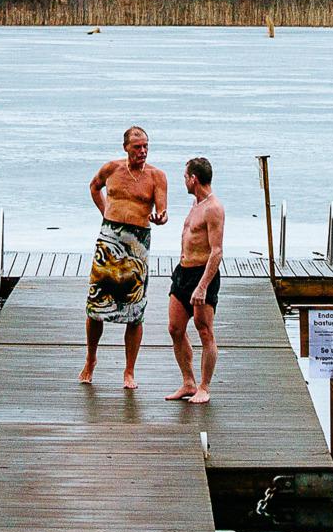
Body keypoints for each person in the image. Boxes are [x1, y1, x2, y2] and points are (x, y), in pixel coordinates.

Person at [81, 126, 167, 387]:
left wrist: (160, 217)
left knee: (135, 310)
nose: (142, 151)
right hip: (109, 239)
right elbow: (94, 187)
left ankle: (129, 371)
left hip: (137, 244)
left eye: (146, 147)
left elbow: (162, 209)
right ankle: (90, 359)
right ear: (126, 147)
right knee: (96, 305)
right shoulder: (112, 169)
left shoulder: (157, 176)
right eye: (137, 147)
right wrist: (106, 211)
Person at [166, 157, 225, 403]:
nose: (184, 181)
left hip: (203, 276)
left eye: (185, 177)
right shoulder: (195, 203)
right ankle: (188, 382)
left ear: (194, 179)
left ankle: (204, 387)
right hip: (183, 273)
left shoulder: (213, 208)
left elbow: (217, 251)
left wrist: (202, 286)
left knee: (205, 331)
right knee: (175, 329)